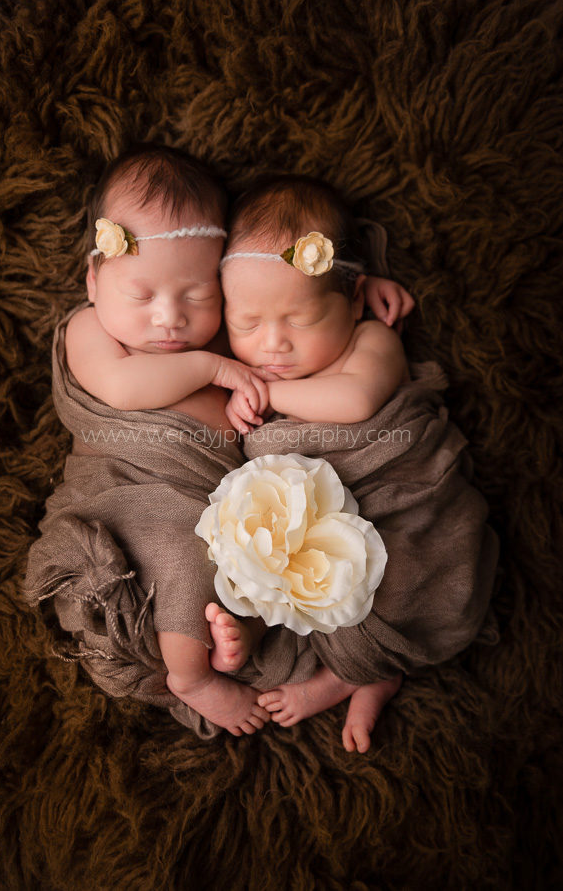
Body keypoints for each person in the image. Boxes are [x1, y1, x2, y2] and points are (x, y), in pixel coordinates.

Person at [46, 146, 412, 737]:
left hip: (215, 501)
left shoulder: (224, 340)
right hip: (130, 493)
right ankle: (192, 678)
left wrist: (345, 294)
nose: (170, 318)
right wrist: (214, 372)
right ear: (93, 279)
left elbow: (275, 299)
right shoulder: (93, 331)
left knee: (269, 566)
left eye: (198, 295)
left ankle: (251, 642)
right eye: (142, 296)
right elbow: (121, 386)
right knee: (180, 550)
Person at [211, 174, 429, 752]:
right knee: (263, 562)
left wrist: (265, 393)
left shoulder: (370, 341)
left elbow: (355, 402)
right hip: (314, 528)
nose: (271, 345)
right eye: (248, 324)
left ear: (353, 300)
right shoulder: (238, 357)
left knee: (395, 577)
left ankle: (359, 673)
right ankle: (254, 628)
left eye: (299, 320)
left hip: (397, 500)